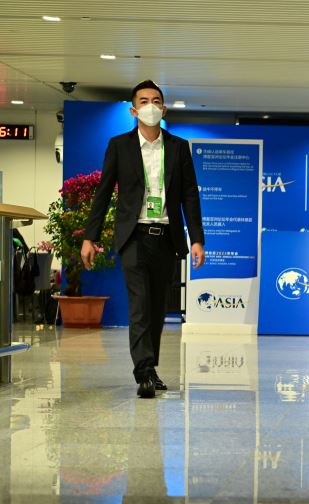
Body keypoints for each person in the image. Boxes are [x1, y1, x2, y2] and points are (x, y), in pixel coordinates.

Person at [83, 80, 205, 399]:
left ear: (164, 109)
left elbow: (190, 195)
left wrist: (197, 239)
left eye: (156, 100)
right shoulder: (119, 146)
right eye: (144, 101)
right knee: (139, 305)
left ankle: (151, 368)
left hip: (165, 237)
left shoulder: (178, 147)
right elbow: (103, 193)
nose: (151, 106)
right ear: (133, 110)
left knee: (156, 308)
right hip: (133, 236)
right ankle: (144, 372)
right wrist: (89, 237)